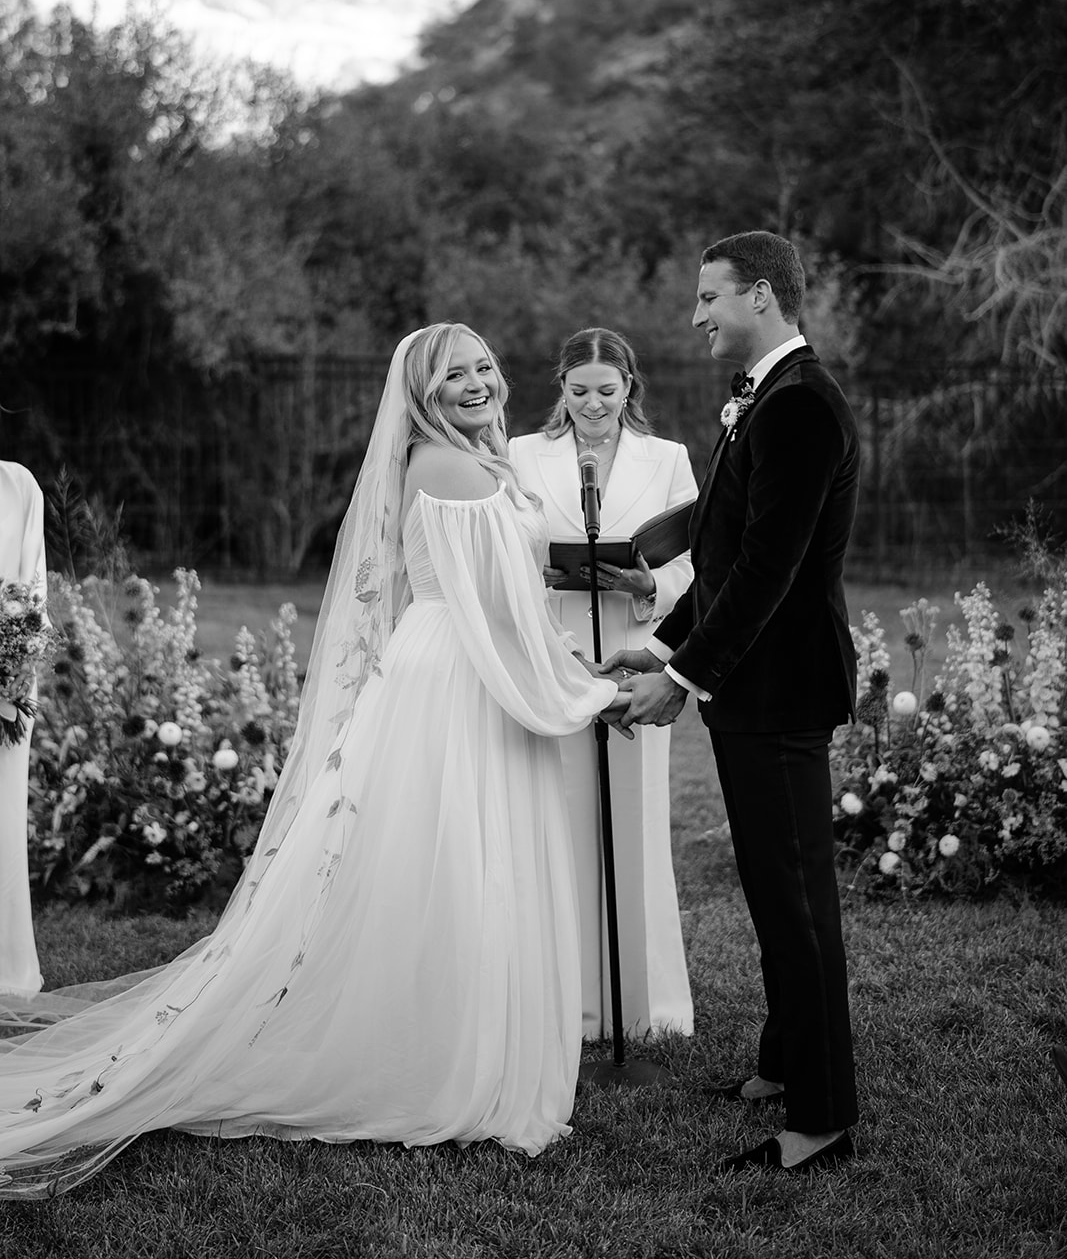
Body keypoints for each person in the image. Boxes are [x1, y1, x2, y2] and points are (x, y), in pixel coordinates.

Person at [0, 324, 626, 1199]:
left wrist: (577, 669)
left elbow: (513, 605)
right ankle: (450, 1066)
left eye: (483, 367)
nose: (477, 383)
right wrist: (586, 690)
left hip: (467, 669)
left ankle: (459, 1042)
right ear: (421, 394)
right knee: (457, 866)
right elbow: (497, 614)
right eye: (454, 375)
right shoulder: (446, 469)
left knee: (461, 867)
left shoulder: (476, 461)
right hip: (457, 679)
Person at [604, 232, 860, 1174]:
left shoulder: (798, 409)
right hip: (754, 683)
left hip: (780, 690)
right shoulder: (767, 401)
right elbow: (723, 551)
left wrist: (678, 681)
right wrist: (669, 643)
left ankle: (823, 1115)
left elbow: (765, 574)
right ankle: (784, 1061)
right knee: (770, 889)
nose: (698, 314)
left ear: (760, 296)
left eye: (709, 296)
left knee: (796, 905)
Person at [510, 328, 696, 1040]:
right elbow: (504, 551)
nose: (593, 404)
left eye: (607, 391)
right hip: (553, 651)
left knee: (633, 818)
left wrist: (650, 583)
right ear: (561, 388)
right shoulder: (524, 456)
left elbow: (694, 563)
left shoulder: (668, 460)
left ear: (629, 390)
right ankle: (563, 1001)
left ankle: (638, 1001)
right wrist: (548, 576)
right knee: (556, 818)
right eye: (579, 390)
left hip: (633, 651)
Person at [0, 461, 46, 1001]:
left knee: (4, 813)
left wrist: (14, 667)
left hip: (10, 677)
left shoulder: (19, 485)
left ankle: (8, 962)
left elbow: (34, 591)